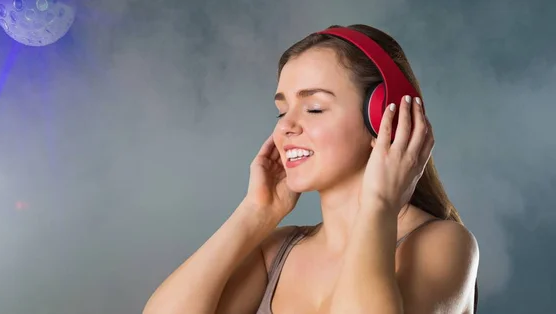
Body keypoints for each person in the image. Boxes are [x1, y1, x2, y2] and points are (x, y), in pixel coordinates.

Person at [143, 24, 479, 314]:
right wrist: (255, 213)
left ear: (383, 118)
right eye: (282, 111)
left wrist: (379, 206)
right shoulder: (277, 251)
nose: (285, 126)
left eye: (314, 108)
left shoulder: (443, 244)